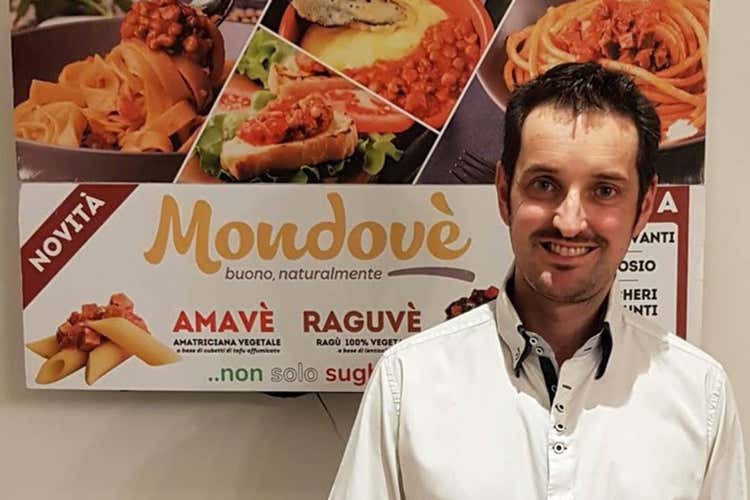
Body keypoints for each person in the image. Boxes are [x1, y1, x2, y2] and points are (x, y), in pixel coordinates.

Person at [327, 62, 747, 500]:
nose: (569, 222)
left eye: (604, 191)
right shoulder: (407, 383)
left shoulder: (700, 395)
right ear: (504, 192)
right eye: (545, 184)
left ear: (643, 208)